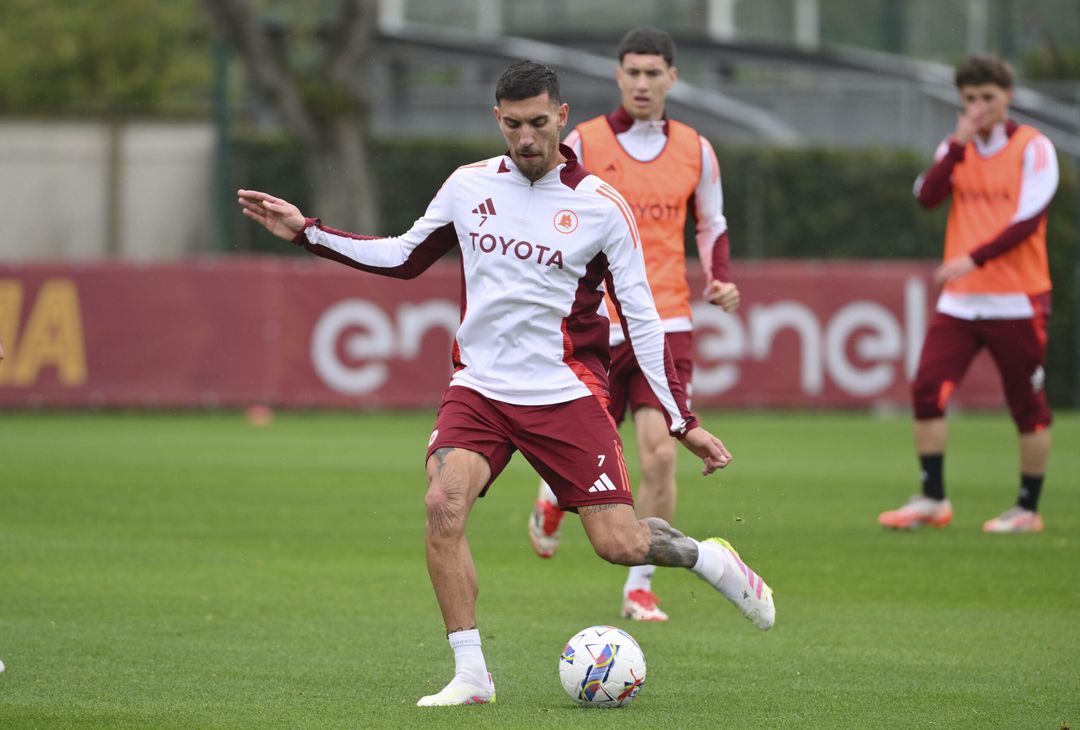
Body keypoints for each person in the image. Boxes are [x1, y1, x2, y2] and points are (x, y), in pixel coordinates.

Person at [238, 60, 774, 707]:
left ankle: (709, 559)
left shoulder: (602, 207)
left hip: (565, 392)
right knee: (443, 505)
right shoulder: (467, 187)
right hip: (481, 390)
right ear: (498, 119)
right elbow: (406, 255)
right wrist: (308, 233)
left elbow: (643, 319)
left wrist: (682, 420)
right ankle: (472, 675)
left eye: (539, 124)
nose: (526, 139)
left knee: (619, 542)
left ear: (563, 119)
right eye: (514, 125)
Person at [526, 27, 740, 624]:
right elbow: (547, 209)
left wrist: (718, 276)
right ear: (618, 76)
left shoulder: (697, 148)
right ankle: (552, 496)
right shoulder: (586, 142)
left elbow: (712, 223)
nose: (643, 83)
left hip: (664, 321)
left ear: (672, 77)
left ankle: (640, 586)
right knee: (585, 447)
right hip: (592, 322)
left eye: (654, 73)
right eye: (633, 73)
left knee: (661, 456)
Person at [879, 55, 1059, 534]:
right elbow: (926, 196)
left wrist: (973, 258)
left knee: (1027, 406)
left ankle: (1027, 508)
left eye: (988, 98)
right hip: (961, 302)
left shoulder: (1033, 148)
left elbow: (1028, 220)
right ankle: (933, 498)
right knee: (926, 391)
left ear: (1008, 98)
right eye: (971, 99)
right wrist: (958, 144)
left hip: (1017, 298)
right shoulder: (955, 147)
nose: (979, 108)